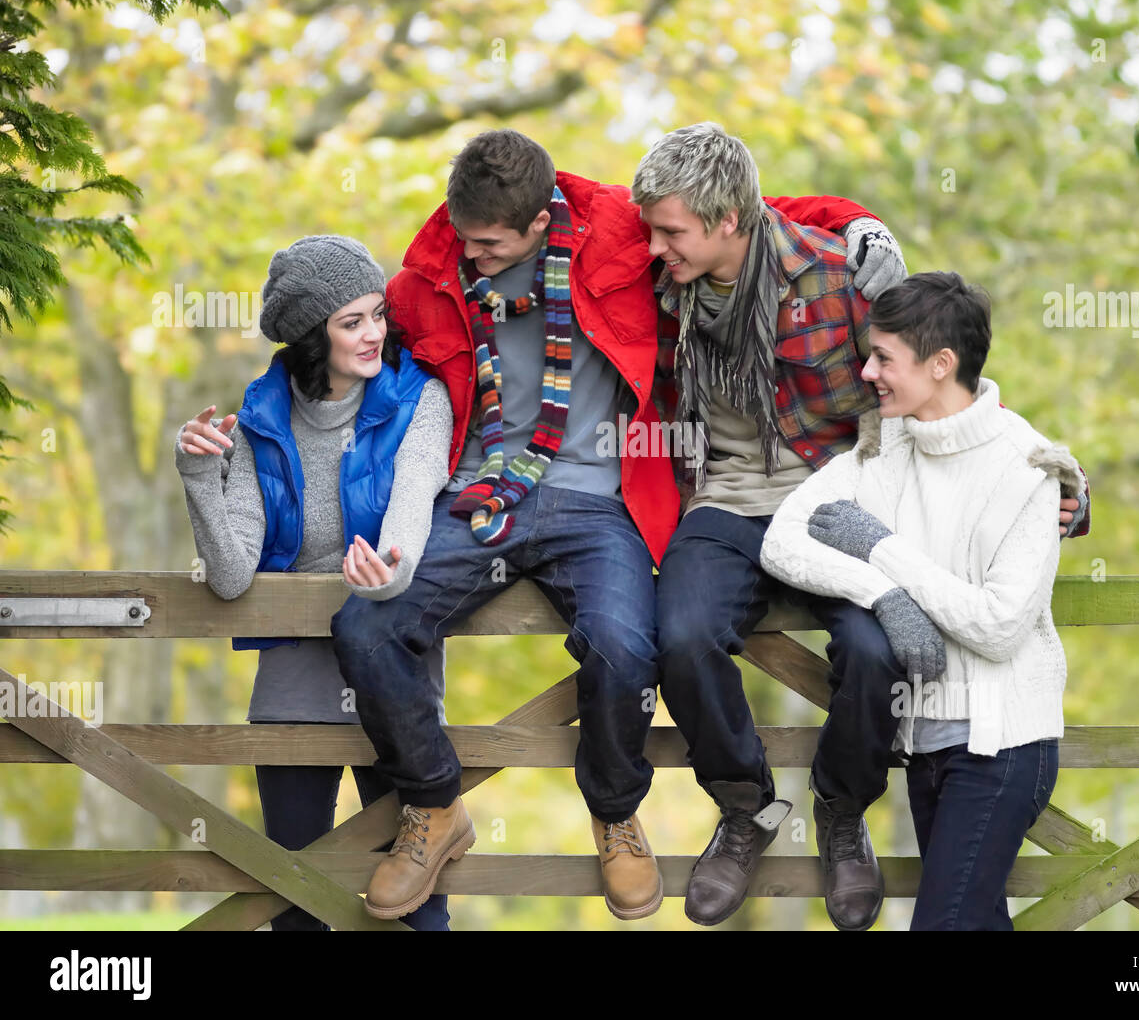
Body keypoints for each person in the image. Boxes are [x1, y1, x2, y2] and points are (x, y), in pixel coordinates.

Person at [328, 127, 906, 922]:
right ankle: (434, 803)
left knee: (632, 645)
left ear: (538, 221)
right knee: (363, 629)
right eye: (464, 237)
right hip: (483, 493)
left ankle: (630, 810)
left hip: (608, 499)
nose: (474, 254)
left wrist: (863, 222)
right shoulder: (431, 275)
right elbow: (338, 340)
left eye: (489, 243)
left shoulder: (620, 233)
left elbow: (758, 215)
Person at [632, 123, 1090, 930]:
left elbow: (937, 373)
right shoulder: (659, 280)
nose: (655, 242)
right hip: (730, 497)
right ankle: (744, 808)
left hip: (844, 503)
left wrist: (1046, 480)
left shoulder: (842, 278)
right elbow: (549, 200)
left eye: (670, 230)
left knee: (879, 653)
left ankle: (843, 813)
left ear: (729, 219)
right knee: (683, 632)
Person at [761, 271, 1083, 930]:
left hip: (1002, 747)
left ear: (940, 365)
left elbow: (997, 626)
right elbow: (782, 539)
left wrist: (881, 549)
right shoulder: (883, 444)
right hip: (923, 745)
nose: (868, 370)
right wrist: (881, 594)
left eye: (884, 357)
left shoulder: (1030, 466)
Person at [175, 235, 454, 931]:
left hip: (392, 671)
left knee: (417, 905)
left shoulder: (421, 396)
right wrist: (198, 479)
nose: (374, 334)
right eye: (350, 321)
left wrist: (388, 573)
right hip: (293, 678)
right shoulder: (260, 418)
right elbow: (234, 577)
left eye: (376, 315)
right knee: (294, 900)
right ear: (309, 333)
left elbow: (413, 503)